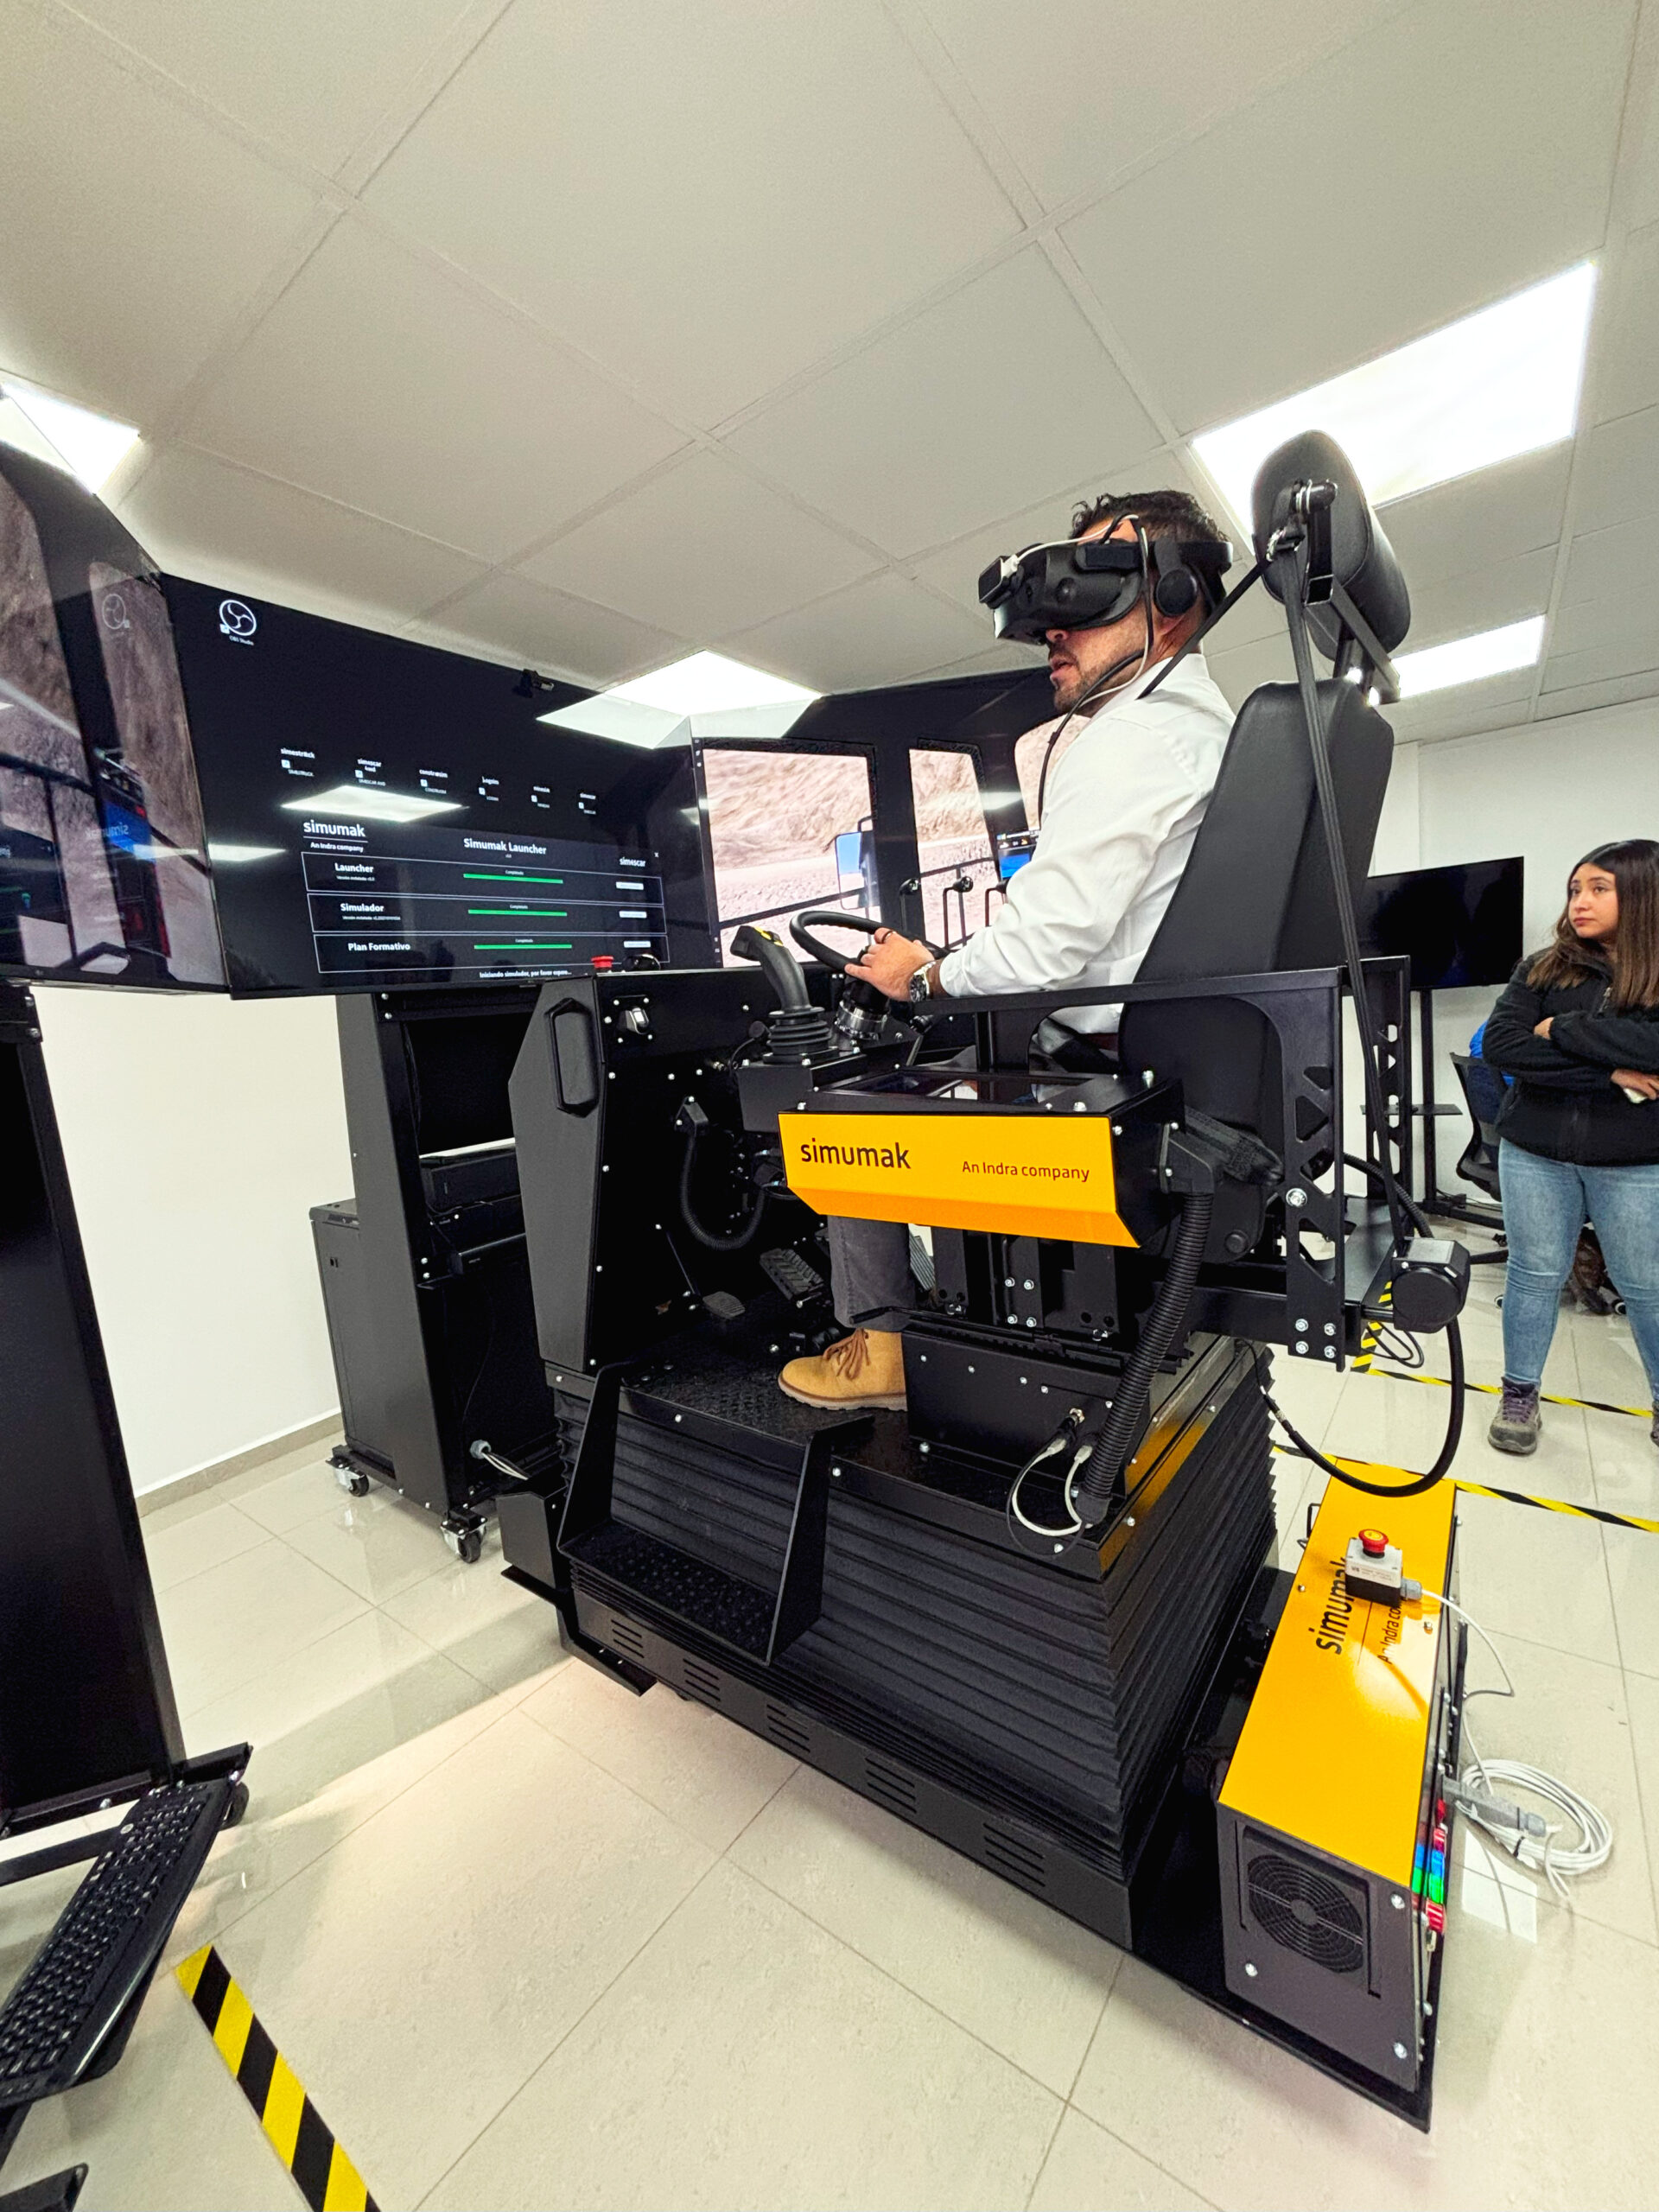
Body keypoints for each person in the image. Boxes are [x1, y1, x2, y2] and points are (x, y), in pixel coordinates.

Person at [779, 488, 1235, 1410]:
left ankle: (883, 1343)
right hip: (1162, 1066)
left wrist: (927, 975)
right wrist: (948, 968)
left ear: (1175, 599)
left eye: (1089, 597)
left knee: (842, 1114)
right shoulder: (1201, 729)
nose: (1053, 633)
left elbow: (1045, 950)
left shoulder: (1135, 734)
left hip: (1099, 1070)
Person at [1480, 839, 1659, 1454]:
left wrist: (1562, 1029)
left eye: (1598, 889)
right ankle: (1519, 1395)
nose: (1580, 902)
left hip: (1634, 1162)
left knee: (1645, 1286)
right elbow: (1503, 1045)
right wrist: (1610, 1073)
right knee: (1533, 1276)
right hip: (1536, 1152)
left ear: (1642, 895)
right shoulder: (1543, 967)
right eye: (1575, 889)